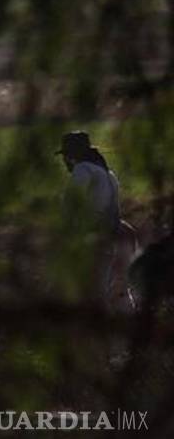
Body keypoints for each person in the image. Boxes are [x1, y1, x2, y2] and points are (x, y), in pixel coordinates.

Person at [56, 131, 135, 309]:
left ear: (70, 156)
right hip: (118, 231)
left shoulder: (82, 169)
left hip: (96, 235)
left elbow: (71, 206)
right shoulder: (109, 173)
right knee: (120, 290)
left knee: (94, 293)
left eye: (66, 157)